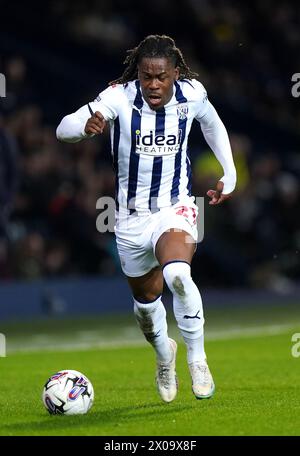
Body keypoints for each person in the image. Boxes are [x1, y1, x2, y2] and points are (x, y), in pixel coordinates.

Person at [56, 35, 236, 403]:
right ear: (137, 74)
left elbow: (213, 124)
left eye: (161, 77)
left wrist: (229, 172)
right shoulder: (118, 97)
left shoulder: (192, 94)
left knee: (178, 275)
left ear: (175, 74)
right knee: (146, 305)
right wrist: (84, 127)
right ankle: (163, 355)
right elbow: (63, 128)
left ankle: (197, 359)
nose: (153, 85)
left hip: (177, 206)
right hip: (130, 219)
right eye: (146, 76)